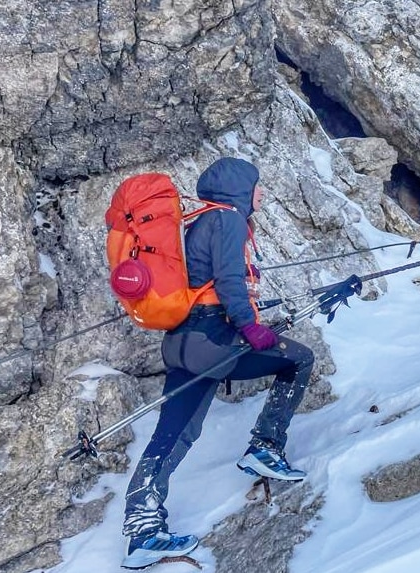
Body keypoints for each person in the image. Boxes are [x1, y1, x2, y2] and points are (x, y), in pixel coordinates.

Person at [121, 157, 315, 569]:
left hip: (183, 342)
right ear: (240, 190)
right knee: (298, 360)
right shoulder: (227, 220)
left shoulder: (196, 222)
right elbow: (228, 282)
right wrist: (250, 328)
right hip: (214, 340)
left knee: (172, 434)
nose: (261, 193)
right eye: (257, 186)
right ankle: (265, 447)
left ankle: (142, 530)